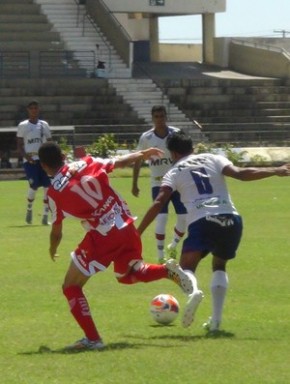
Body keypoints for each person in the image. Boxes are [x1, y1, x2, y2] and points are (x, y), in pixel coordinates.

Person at [38, 142, 193, 351]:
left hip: (103, 235)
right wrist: (143, 154)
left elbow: (57, 231)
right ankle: (166, 271)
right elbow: (119, 162)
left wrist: (52, 248)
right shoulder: (86, 162)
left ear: (44, 166)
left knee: (71, 286)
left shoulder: (53, 194)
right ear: (63, 156)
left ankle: (93, 339)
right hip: (127, 225)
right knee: (128, 275)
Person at [138, 131, 290, 332]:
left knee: (186, 268)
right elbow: (240, 174)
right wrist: (275, 170)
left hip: (203, 221)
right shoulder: (214, 158)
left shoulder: (173, 172)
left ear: (173, 153)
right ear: (192, 147)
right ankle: (216, 322)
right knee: (219, 265)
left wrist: (137, 231)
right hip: (231, 218)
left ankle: (193, 292)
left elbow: (159, 202)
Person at [132, 105, 187, 264]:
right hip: (159, 183)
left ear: (166, 117)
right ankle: (160, 254)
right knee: (161, 218)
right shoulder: (146, 138)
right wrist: (134, 183)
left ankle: (174, 245)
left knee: (183, 218)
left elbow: (187, 155)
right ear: (152, 118)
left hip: (177, 182)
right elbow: (138, 160)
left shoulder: (176, 134)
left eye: (162, 116)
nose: (159, 119)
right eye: (156, 116)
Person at [17, 100, 52, 225]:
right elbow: (20, 145)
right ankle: (29, 209)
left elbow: (49, 142)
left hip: (43, 160)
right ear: (28, 110)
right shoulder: (23, 125)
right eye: (31, 108)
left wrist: (52, 155)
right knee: (34, 185)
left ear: (38, 109)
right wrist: (27, 157)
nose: (34, 110)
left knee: (48, 186)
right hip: (30, 160)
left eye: (35, 108)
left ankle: (45, 215)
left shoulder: (44, 125)